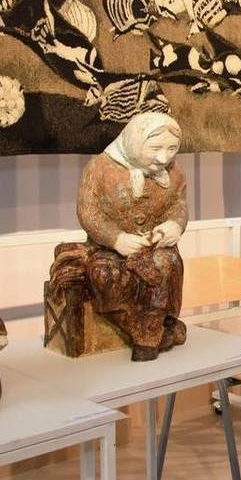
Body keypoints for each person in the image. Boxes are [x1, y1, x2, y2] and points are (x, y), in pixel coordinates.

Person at [76, 111, 189, 361]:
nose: (164, 157)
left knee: (165, 266)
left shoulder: (174, 172)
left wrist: (174, 226)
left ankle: (150, 334)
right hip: (108, 249)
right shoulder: (99, 168)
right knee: (104, 274)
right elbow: (88, 212)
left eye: (172, 149)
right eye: (156, 148)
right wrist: (117, 239)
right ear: (135, 141)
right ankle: (146, 331)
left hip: (154, 248)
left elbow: (178, 205)